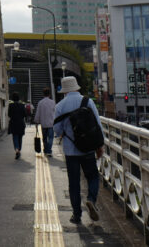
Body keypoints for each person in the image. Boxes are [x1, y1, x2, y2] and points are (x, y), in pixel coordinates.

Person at [53, 75, 102, 224]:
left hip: (70, 151)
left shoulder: (60, 106)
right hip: (87, 149)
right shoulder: (88, 102)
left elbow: (56, 129)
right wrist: (99, 146)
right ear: (76, 87)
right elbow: (97, 125)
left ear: (64, 90)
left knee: (73, 183)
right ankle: (91, 199)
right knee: (93, 176)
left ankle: (76, 215)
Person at [34, 87, 56, 156]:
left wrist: (36, 122)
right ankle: (49, 150)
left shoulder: (40, 102)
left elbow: (38, 113)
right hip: (51, 123)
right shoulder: (53, 102)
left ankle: (46, 150)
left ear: (43, 94)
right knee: (51, 138)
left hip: (43, 124)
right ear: (49, 94)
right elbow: (55, 112)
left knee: (44, 138)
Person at [7, 92, 28, 159]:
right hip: (21, 123)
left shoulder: (10, 105)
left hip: (13, 123)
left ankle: (16, 149)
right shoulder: (22, 105)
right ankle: (19, 149)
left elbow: (9, 115)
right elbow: (25, 114)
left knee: (15, 137)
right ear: (19, 98)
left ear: (12, 98)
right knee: (20, 137)